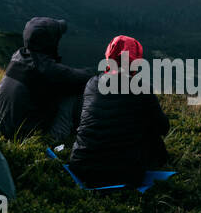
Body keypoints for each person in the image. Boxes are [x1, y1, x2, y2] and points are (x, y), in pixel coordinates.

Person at [69, 35, 170, 187]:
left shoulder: (92, 83)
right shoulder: (141, 89)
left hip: (81, 167)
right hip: (126, 175)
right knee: (151, 131)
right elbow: (163, 128)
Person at [0, 17, 91, 143]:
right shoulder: (46, 69)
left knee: (64, 86)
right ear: (50, 42)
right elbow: (83, 77)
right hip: (26, 138)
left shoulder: (18, 57)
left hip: (3, 130)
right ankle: (62, 140)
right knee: (74, 91)